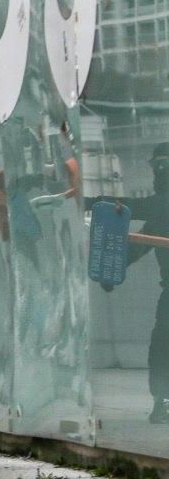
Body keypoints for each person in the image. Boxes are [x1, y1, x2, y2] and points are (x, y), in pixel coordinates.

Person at [87, 142, 169, 423]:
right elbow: (143, 241)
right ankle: (165, 400)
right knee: (164, 343)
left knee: (164, 343)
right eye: (157, 167)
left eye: (163, 167)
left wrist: (94, 202)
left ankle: (165, 400)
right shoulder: (161, 208)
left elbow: (142, 214)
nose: (159, 174)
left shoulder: (160, 204)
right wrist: (114, 270)